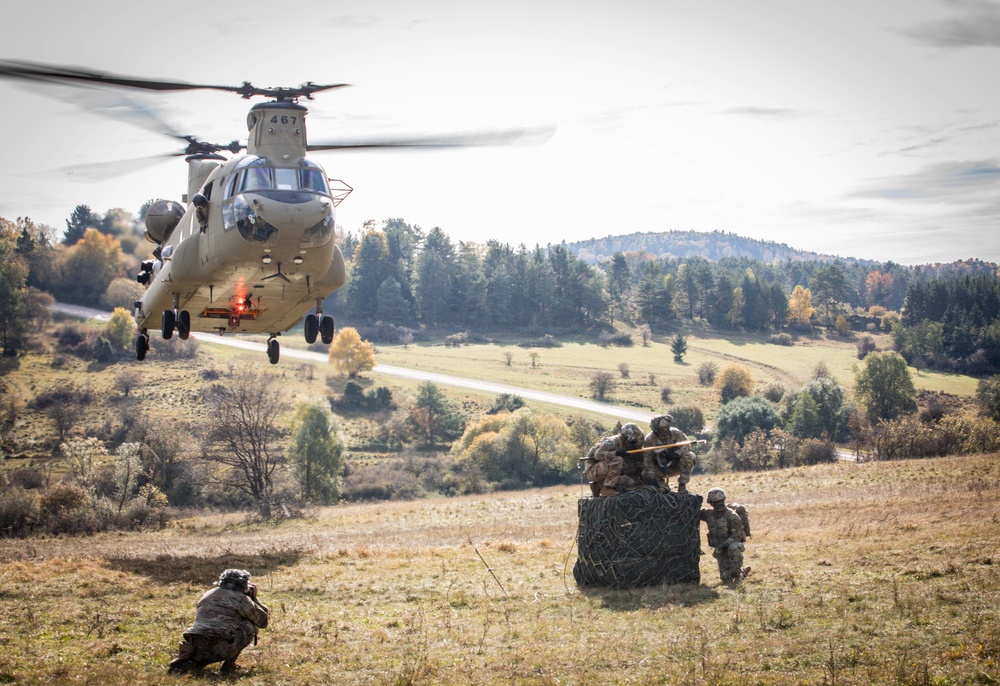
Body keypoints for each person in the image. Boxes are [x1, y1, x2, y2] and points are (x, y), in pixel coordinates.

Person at [168, 568, 270, 674]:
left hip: (195, 644)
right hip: (219, 647)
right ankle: (229, 666)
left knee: (200, 657)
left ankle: (192, 662)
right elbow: (262, 622)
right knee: (248, 625)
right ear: (243, 585)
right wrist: (254, 599)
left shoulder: (209, 594)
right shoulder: (240, 599)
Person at [698, 488, 751, 584]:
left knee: (734, 550)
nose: (719, 504)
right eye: (715, 502)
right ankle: (740, 572)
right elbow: (695, 512)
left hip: (732, 545)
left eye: (721, 501)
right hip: (721, 550)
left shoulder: (732, 515)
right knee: (726, 579)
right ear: (711, 503)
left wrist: (722, 545)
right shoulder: (708, 514)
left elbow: (737, 535)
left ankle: (740, 573)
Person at [583, 422, 645, 496]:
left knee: (630, 482)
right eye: (633, 443)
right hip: (593, 470)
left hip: (609, 473)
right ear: (626, 438)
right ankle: (606, 488)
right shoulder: (611, 442)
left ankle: (599, 485)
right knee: (618, 460)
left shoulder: (628, 447)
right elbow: (598, 455)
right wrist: (616, 453)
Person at [641, 414, 697, 494]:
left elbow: (687, 446)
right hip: (660, 469)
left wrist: (677, 453)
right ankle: (663, 488)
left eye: (667, 428)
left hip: (676, 465)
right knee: (644, 473)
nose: (665, 432)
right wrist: (652, 478)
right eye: (662, 430)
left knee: (690, 456)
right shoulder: (649, 440)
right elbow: (647, 461)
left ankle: (682, 486)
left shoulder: (676, 433)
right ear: (656, 430)